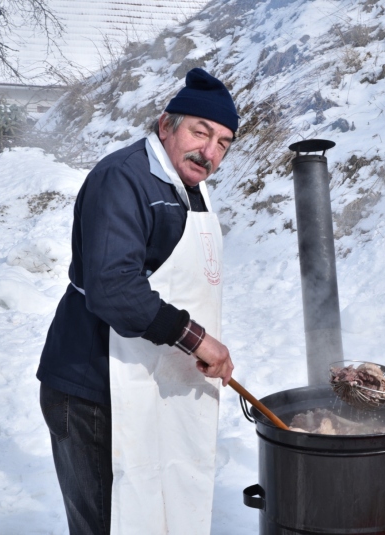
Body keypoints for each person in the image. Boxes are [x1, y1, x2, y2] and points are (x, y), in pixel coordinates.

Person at [36, 68, 238, 534]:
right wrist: (196, 339)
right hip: (90, 388)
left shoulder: (189, 189)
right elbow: (113, 289)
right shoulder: (123, 179)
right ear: (166, 125)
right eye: (200, 132)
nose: (209, 152)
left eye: (223, 143)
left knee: (151, 509)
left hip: (143, 381)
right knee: (111, 522)